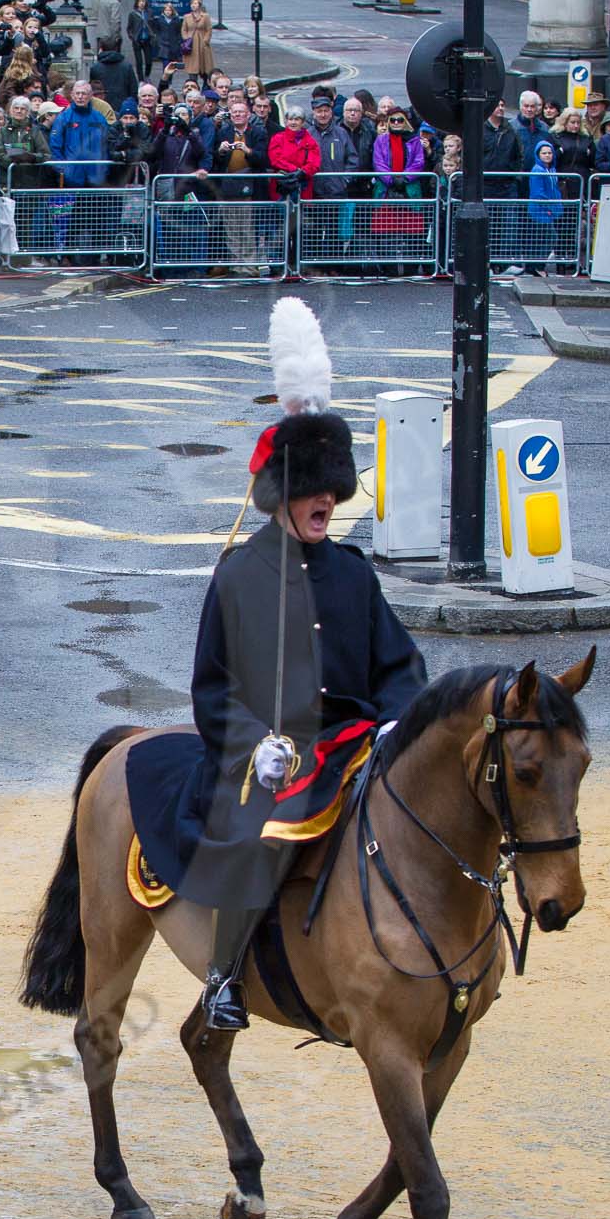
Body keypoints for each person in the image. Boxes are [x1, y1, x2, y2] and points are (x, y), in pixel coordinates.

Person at [183, 300, 426, 1028]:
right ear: (281, 496)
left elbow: (398, 664)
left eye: (332, 489)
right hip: (273, 754)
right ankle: (225, 978)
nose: (326, 500)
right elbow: (211, 689)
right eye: (312, 490)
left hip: (353, 742)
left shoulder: (354, 573)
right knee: (253, 831)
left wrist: (396, 725)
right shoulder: (239, 577)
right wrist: (256, 744)